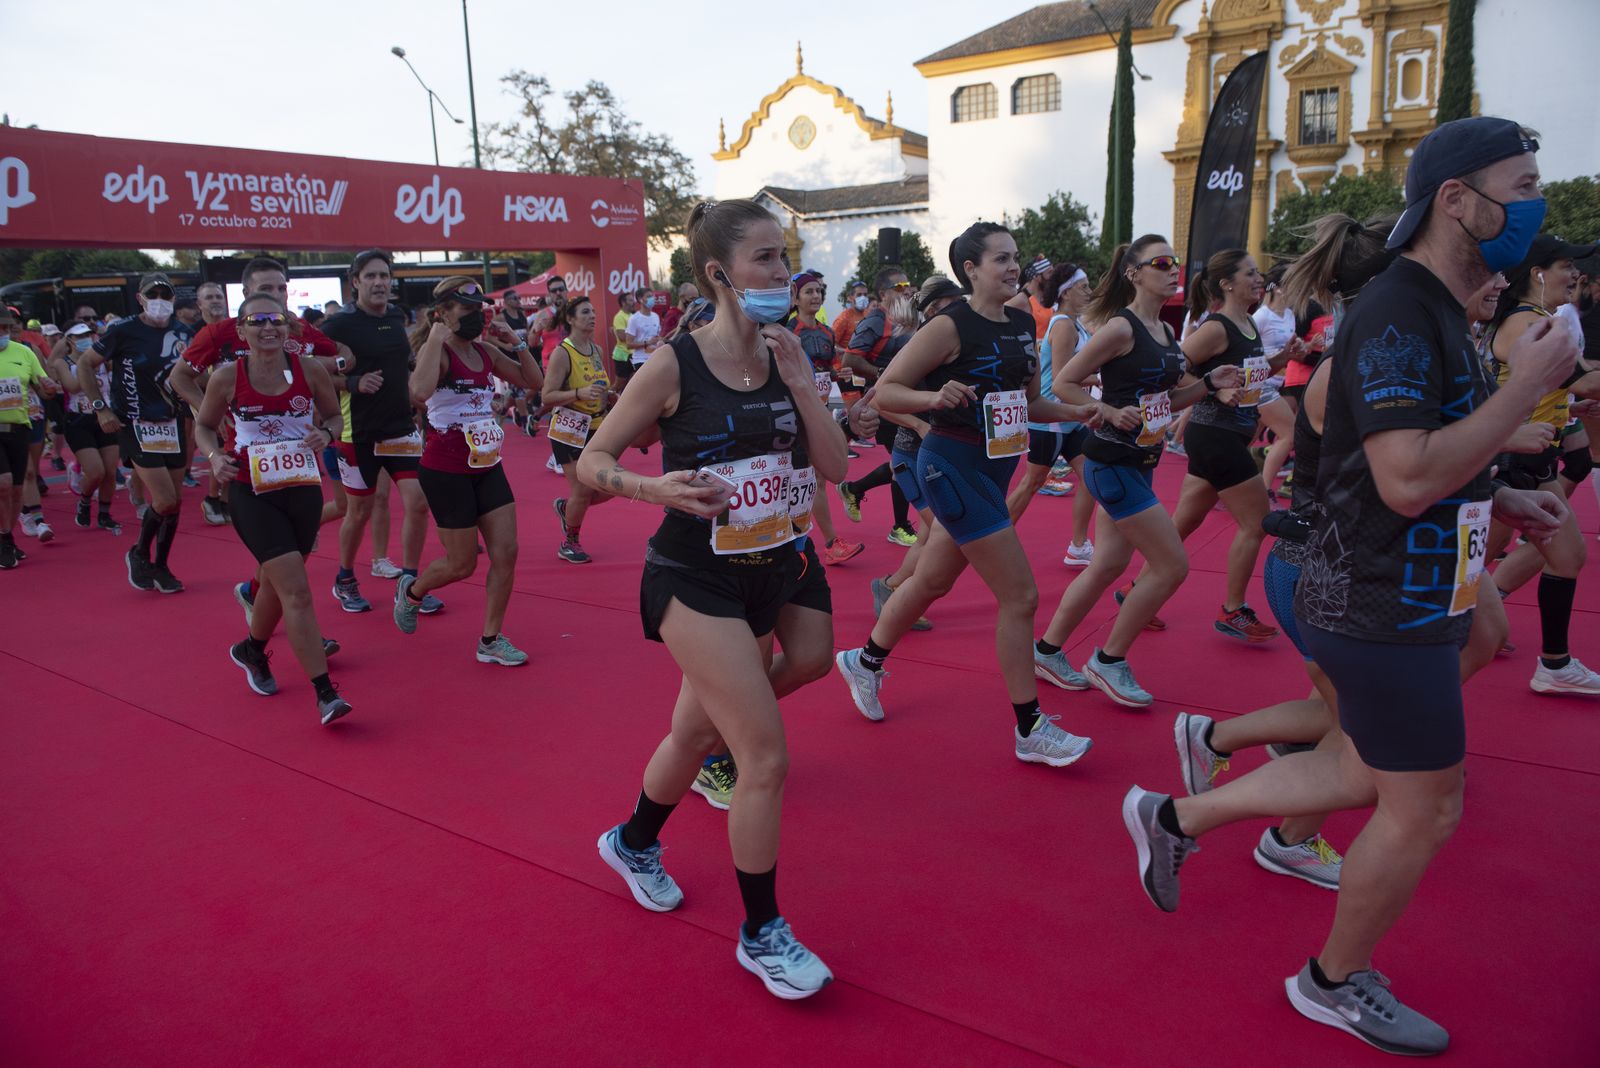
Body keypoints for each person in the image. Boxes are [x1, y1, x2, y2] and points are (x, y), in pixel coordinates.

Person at [1123, 117, 1576, 1057]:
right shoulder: (1401, 310)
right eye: (1523, 184)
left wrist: (1503, 490)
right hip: (1380, 602)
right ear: (1457, 200)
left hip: (1406, 589)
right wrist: (1521, 392)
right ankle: (1331, 981)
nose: (1536, 204)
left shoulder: (1440, 311)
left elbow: (1411, 464)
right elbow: (1406, 475)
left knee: (1359, 770)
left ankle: (1172, 813)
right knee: (1427, 805)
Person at [577, 198, 847, 999]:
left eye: (785, 255)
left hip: (782, 558)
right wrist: (650, 486)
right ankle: (762, 933)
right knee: (762, 755)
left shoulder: (790, 351)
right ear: (719, 274)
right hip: (696, 577)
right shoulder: (673, 365)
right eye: (766, 258)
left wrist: (803, 386)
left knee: (799, 668)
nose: (784, 272)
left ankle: (632, 841)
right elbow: (592, 459)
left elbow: (830, 467)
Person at [834, 222, 1096, 767]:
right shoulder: (948, 326)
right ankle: (1030, 727)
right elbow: (886, 394)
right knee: (1021, 597)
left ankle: (865, 660)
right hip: (953, 467)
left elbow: (1027, 403)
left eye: (1015, 257)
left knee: (931, 580)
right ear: (970, 269)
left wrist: (1078, 411)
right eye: (999, 258)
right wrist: (935, 397)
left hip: (996, 467)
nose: (1012, 267)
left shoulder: (1024, 323)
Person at [1032, 237, 1242, 706]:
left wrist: (1208, 383)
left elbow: (1167, 401)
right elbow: (1063, 382)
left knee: (1108, 564)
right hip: (1112, 462)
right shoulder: (1121, 328)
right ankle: (1108, 660)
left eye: (1176, 264)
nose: (1173, 271)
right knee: (1172, 565)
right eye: (1162, 263)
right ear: (1134, 273)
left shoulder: (1166, 334)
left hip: (1142, 461)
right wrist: (1104, 410)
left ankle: (1045, 651)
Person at [193, 293, 352, 725]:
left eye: (276, 320)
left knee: (281, 587)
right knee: (297, 590)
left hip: (301, 489)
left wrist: (326, 433)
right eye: (257, 321)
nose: (268, 327)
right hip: (251, 492)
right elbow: (204, 426)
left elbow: (333, 417)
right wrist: (214, 458)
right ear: (241, 331)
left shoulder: (310, 369)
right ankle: (324, 694)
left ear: (287, 328)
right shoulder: (227, 376)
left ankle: (251, 649)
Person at [1120, 248, 1284, 643]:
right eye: (1250, 273)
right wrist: (1211, 392)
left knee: (1183, 524)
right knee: (1256, 521)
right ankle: (1233, 609)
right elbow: (1173, 367)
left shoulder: (1248, 324)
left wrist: (1281, 361)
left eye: (1258, 273)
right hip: (1216, 437)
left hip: (1228, 435)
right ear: (1227, 283)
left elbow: (1247, 376)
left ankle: (1135, 594)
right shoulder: (1217, 327)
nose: (1259, 278)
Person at [393, 277, 542, 665]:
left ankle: (490, 639)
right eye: (466, 310)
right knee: (461, 564)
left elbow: (534, 382)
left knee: (506, 552)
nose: (476, 317)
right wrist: (435, 339)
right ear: (443, 314)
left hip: (487, 465)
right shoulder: (440, 353)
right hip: (446, 470)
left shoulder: (486, 352)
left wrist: (517, 341)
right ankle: (412, 591)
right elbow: (420, 392)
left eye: (479, 310)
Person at [1480, 233, 1600, 693]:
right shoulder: (1529, 322)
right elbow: (1586, 382)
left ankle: (1553, 663)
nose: (1575, 275)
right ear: (1538, 273)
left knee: (1563, 555)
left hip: (1533, 456)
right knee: (1475, 561)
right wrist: (1579, 396)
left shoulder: (1538, 320)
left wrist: (1567, 410)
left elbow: (1536, 388)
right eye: (1567, 266)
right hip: (1513, 459)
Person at [320, 250, 439, 615]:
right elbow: (309, 366)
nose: (379, 283)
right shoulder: (339, 325)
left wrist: (422, 403)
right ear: (355, 282)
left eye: (384, 276)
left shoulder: (394, 316)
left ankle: (410, 584)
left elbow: (402, 370)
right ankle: (344, 578)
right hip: (359, 434)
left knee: (418, 504)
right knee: (359, 511)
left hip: (400, 429)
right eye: (370, 276)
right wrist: (352, 382)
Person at [75, 273, 195, 592]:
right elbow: (85, 364)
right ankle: (140, 552)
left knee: (176, 502)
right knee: (165, 498)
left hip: (172, 423)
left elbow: (196, 375)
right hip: (133, 423)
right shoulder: (123, 330)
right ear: (140, 298)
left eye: (165, 294)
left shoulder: (184, 332)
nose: (159, 299)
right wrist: (101, 407)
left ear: (173, 299)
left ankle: (161, 565)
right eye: (151, 294)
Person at [1003, 261, 1098, 567]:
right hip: (1051, 417)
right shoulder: (1065, 325)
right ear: (1067, 292)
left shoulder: (1075, 322)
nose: (1090, 292)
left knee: (1092, 479)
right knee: (1032, 482)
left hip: (1069, 417)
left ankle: (1079, 546)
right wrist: (1100, 380)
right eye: (1084, 286)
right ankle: (995, 540)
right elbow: (1060, 380)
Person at [786, 271, 863, 564]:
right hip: (790, 415)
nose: (815, 297)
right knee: (797, 478)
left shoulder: (827, 332)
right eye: (809, 292)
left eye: (819, 291)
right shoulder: (786, 331)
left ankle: (829, 543)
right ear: (796, 297)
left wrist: (838, 375)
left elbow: (831, 367)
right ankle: (794, 540)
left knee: (816, 476)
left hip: (819, 413)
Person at [836, 267, 916, 546]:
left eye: (908, 284)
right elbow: (850, 361)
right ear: (883, 294)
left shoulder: (906, 320)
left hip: (904, 401)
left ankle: (855, 489)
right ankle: (900, 525)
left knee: (902, 463)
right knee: (904, 463)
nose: (907, 289)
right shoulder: (875, 321)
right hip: (882, 403)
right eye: (900, 286)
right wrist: (882, 374)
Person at [543, 296, 614, 562]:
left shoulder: (596, 350)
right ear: (570, 319)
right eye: (585, 312)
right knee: (582, 490)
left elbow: (600, 386)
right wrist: (578, 393)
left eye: (594, 311)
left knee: (609, 487)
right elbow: (547, 396)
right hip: (568, 428)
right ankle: (570, 542)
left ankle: (568, 508)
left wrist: (610, 397)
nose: (592, 316)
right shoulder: (563, 352)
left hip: (597, 426)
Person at [0, 309, 60, 569]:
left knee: (15, 490)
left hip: (19, 428)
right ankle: (4, 540)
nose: (2, 332)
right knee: (3, 484)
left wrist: (49, 388)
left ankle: (7, 537)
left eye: (6, 327)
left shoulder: (24, 352)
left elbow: (42, 388)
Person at [50, 323, 122, 535]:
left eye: (88, 335)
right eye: (79, 336)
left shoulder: (102, 360)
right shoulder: (62, 363)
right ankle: (85, 500)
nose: (85, 339)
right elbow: (72, 387)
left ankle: (104, 514)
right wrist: (86, 367)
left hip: (105, 417)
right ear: (70, 340)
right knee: (96, 471)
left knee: (110, 471)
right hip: (78, 420)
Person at [623, 286, 663, 368]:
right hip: (640, 360)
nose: (652, 299)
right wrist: (647, 342)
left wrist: (659, 339)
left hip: (655, 357)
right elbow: (628, 344)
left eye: (652, 296)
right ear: (640, 299)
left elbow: (658, 336)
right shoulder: (634, 319)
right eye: (648, 296)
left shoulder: (655, 316)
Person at [609, 291, 639, 386]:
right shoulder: (619, 317)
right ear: (623, 302)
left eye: (633, 300)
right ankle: (609, 397)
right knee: (619, 384)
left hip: (633, 355)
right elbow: (622, 337)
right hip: (622, 355)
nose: (633, 302)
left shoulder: (633, 316)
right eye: (630, 300)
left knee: (633, 382)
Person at [830, 279, 870, 349]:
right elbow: (831, 343)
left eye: (865, 295)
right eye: (859, 295)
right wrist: (846, 353)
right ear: (850, 298)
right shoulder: (843, 318)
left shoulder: (868, 314)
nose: (863, 298)